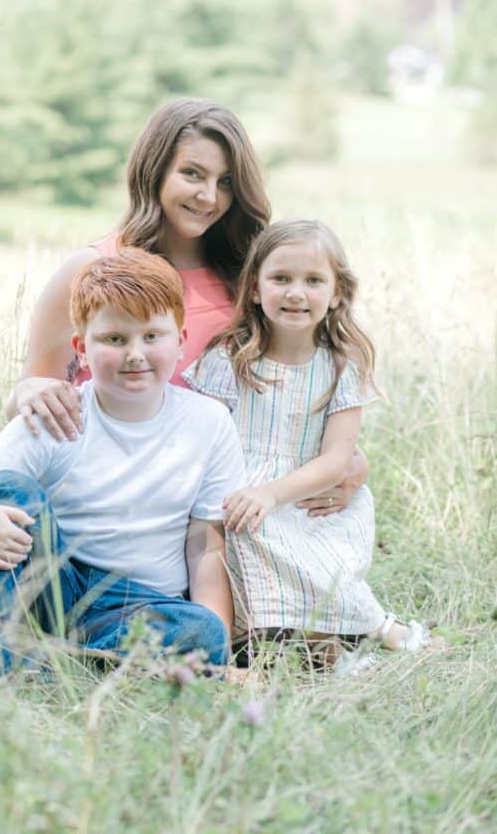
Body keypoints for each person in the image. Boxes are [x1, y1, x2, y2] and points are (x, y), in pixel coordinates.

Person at [7, 97, 365, 517]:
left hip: (214, 505)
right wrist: (28, 391)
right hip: (106, 496)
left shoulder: (249, 279)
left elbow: (300, 389)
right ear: (154, 170)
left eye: (227, 182)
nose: (209, 196)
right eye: (192, 174)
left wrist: (352, 467)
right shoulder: (92, 271)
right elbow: (29, 405)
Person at [0, 249, 247, 675]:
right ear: (82, 348)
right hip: (53, 582)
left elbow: (205, 547)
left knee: (204, 633)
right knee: (7, 490)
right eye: (115, 339)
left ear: (181, 338)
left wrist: (221, 655)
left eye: (152, 336)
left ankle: (42, 655)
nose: (135, 354)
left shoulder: (208, 422)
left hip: (137, 604)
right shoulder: (59, 413)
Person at [183, 219, 430, 666]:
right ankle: (359, 632)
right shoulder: (228, 360)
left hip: (307, 495)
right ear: (255, 288)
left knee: (310, 544)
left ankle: (349, 632)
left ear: (337, 293)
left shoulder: (341, 367)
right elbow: (203, 441)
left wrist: (272, 493)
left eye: (313, 281)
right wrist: (255, 494)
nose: (296, 292)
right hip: (242, 492)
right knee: (251, 531)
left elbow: (338, 459)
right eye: (281, 279)